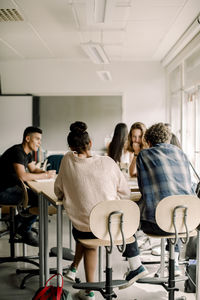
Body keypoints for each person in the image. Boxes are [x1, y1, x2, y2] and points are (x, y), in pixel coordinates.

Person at [54, 121, 147, 300]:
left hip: (85, 231)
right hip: (114, 230)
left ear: (70, 146)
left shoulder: (66, 160)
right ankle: (134, 264)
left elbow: (58, 191)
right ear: (90, 143)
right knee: (100, 221)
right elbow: (125, 192)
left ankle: (89, 291)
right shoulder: (107, 162)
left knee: (89, 236)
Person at [136, 122, 195, 274]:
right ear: (168, 139)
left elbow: (143, 187)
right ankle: (173, 263)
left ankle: (134, 265)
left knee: (129, 215)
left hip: (158, 224)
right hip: (186, 222)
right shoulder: (181, 153)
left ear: (148, 142)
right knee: (175, 211)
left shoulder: (144, 155)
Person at [0, 126, 56, 246]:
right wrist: (45, 176)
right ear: (27, 138)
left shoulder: (27, 153)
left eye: (40, 140)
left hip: (10, 187)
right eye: (37, 139)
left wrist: (46, 173)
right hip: (2, 191)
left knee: (41, 199)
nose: (39, 143)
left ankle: (18, 223)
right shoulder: (17, 152)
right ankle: (23, 230)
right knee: (41, 200)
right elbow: (23, 176)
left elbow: (33, 169)